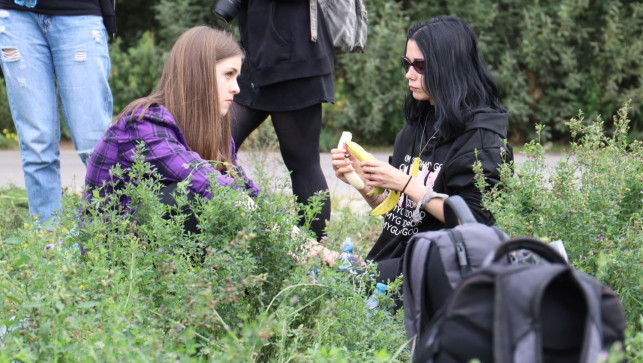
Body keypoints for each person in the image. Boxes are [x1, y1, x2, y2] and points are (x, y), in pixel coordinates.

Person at [331, 16, 513, 284]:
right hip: (394, 263)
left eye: (420, 65)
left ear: (450, 67)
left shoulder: (483, 141)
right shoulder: (417, 125)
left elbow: (476, 231)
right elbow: (401, 216)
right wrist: (364, 184)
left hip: (436, 275)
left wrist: (405, 183)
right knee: (315, 264)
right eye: (407, 63)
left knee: (327, 272)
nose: (408, 73)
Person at [84, 26, 259, 228]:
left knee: (222, 199)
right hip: (117, 247)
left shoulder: (215, 130)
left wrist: (291, 231)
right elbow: (198, 175)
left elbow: (246, 189)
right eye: (229, 74)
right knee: (189, 196)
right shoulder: (144, 122)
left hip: (166, 245)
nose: (236, 87)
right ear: (199, 75)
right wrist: (261, 219)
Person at [0, 0, 115, 226]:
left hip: (79, 13)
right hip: (16, 15)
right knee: (36, 145)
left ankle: (111, 237)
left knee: (95, 146)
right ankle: (48, 247)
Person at [227, 0, 335, 240]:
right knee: (213, 146)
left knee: (303, 163)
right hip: (253, 58)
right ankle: (246, 227)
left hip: (297, 57)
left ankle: (314, 253)